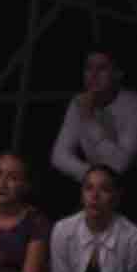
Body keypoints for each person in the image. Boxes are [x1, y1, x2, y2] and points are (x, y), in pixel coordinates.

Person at [51, 48, 137, 195]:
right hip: (95, 184)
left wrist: (89, 121)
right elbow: (58, 156)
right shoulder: (79, 102)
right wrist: (92, 174)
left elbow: (120, 164)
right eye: (89, 68)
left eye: (102, 68)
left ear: (118, 74)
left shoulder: (132, 104)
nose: (93, 75)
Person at [50, 164, 137, 272]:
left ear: (117, 197)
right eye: (89, 188)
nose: (95, 196)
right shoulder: (62, 230)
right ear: (82, 195)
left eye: (104, 189)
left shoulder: (132, 236)